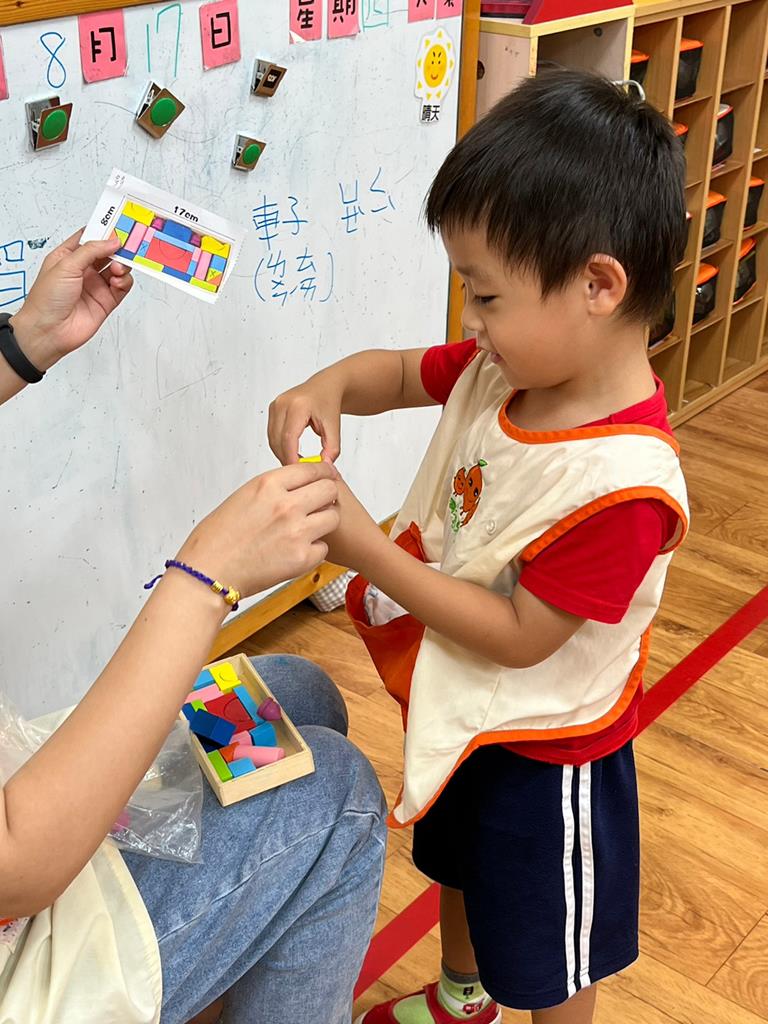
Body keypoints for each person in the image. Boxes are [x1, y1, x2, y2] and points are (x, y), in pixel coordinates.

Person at [268, 69, 689, 1024]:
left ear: (598, 285)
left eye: (486, 294)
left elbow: (519, 635)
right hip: (461, 701)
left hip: (549, 750)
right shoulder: (510, 367)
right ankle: (463, 999)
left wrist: (362, 546)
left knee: (549, 948)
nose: (470, 321)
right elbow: (397, 372)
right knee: (455, 862)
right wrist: (327, 385)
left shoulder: (623, 486)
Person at [0, 230, 387, 1024]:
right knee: (338, 793)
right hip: (28, 934)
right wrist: (203, 579)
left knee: (297, 692)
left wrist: (23, 345)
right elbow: (21, 866)